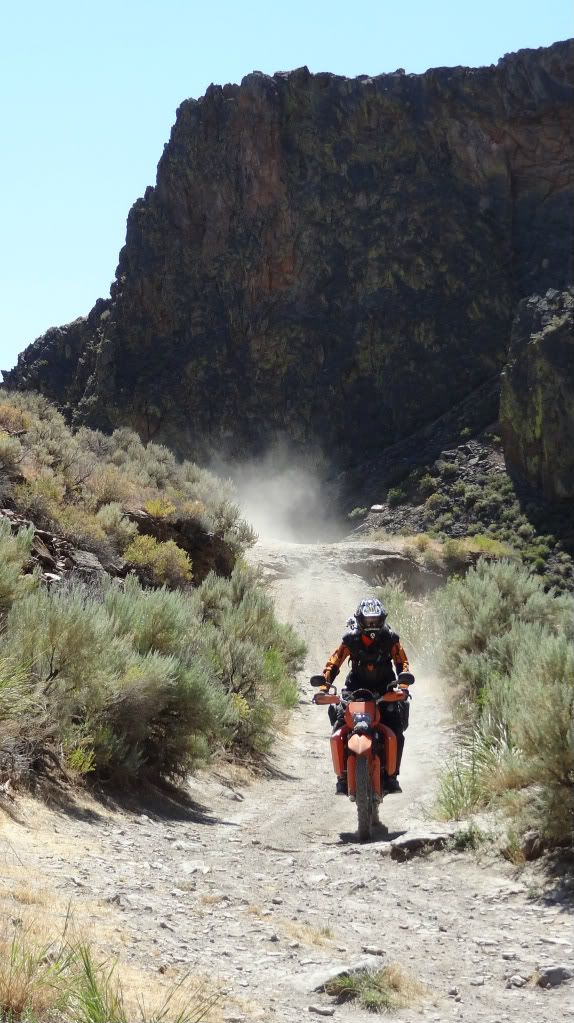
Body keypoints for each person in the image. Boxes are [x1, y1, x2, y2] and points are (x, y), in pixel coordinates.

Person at [319, 597, 414, 795]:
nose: (372, 625)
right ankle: (342, 777)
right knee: (339, 725)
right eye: (368, 621)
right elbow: (334, 663)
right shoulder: (350, 640)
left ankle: (391, 777)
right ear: (360, 620)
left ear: (382, 620)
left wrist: (403, 686)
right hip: (355, 689)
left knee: (396, 730)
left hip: (385, 688)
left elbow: (402, 663)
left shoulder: (391, 639)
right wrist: (324, 686)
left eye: (376, 620)